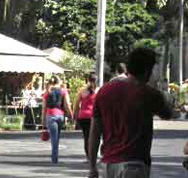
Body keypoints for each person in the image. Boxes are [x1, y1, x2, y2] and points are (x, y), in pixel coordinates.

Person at [88, 48, 175, 178]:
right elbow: (168, 114)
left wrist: (92, 167)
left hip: (108, 164)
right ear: (147, 71)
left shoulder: (104, 91)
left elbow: (95, 132)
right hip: (135, 164)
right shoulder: (148, 93)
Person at [41, 75, 73, 164]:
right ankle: (55, 156)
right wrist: (71, 114)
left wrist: (43, 121)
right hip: (60, 116)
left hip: (50, 115)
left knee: (54, 138)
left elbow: (44, 108)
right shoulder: (63, 91)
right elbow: (67, 105)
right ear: (59, 82)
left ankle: (54, 158)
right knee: (57, 137)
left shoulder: (47, 92)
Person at [72, 73, 98, 160]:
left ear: (87, 80)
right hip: (94, 117)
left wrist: (74, 116)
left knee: (86, 137)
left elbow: (76, 105)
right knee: (94, 137)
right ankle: (94, 155)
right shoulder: (98, 91)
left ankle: (88, 156)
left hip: (83, 116)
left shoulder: (82, 91)